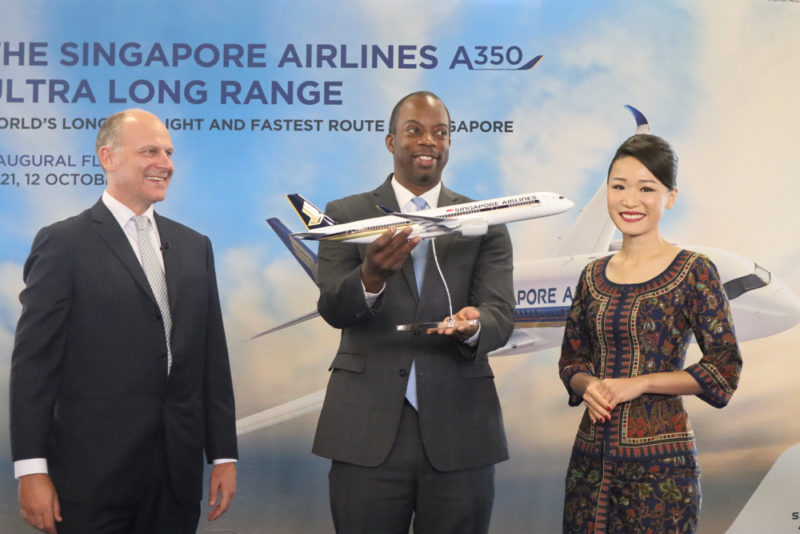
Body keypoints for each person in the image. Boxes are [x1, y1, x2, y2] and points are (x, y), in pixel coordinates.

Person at [9, 108, 238, 534]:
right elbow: (33, 368)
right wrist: (31, 469)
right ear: (108, 157)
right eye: (150, 150)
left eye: (168, 152)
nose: (165, 163)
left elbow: (211, 358)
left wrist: (223, 455)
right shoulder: (62, 244)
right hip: (90, 481)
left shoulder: (194, 246)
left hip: (176, 480)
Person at [312, 91, 515, 533]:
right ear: (390, 142)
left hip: (462, 432)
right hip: (365, 432)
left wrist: (474, 327)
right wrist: (370, 276)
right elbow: (331, 306)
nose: (429, 141)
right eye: (415, 130)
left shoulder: (484, 219)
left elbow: (501, 315)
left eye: (440, 132)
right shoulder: (347, 214)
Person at [558, 133, 743, 533]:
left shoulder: (695, 270)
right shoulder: (591, 274)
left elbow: (723, 369)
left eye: (647, 188)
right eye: (618, 186)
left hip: (662, 474)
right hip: (589, 468)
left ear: (670, 196)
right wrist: (587, 383)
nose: (629, 200)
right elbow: (571, 360)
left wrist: (639, 384)